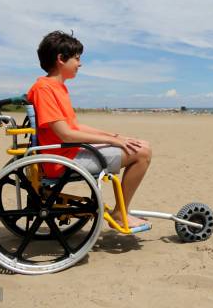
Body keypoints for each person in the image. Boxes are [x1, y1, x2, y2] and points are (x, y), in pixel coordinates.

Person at [27, 30, 152, 230]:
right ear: (61, 59)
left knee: (140, 144)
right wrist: (113, 142)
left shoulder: (57, 87)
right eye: (77, 58)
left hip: (69, 152)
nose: (80, 63)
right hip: (62, 161)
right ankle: (120, 214)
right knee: (143, 153)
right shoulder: (45, 89)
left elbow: (74, 127)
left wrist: (114, 136)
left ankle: (121, 211)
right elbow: (66, 134)